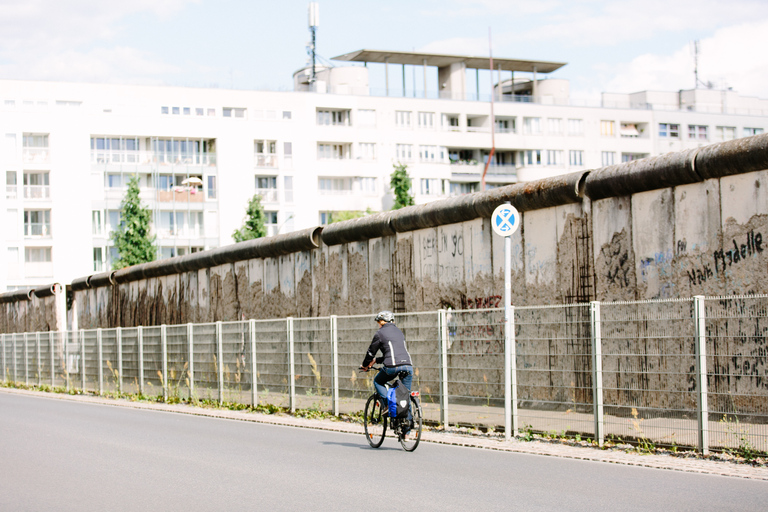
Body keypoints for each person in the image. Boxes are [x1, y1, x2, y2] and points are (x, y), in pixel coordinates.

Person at [359, 310, 413, 412]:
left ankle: (387, 405)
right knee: (405, 396)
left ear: (382, 322)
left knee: (378, 381)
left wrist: (365, 365)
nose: (378, 325)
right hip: (408, 366)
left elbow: (371, 352)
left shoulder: (380, 333)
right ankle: (407, 425)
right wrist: (376, 360)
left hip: (392, 367)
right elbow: (393, 353)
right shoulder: (399, 332)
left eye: (379, 323)